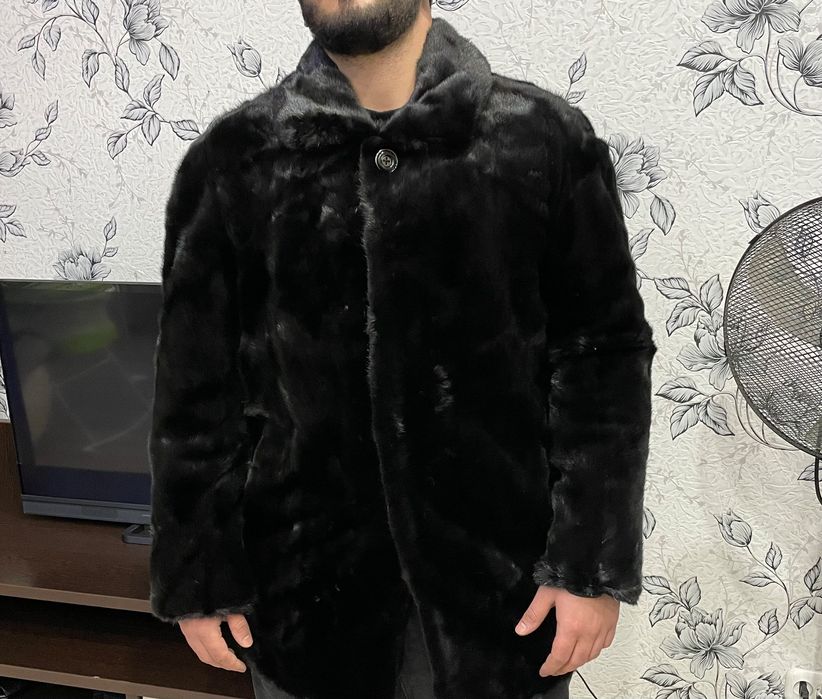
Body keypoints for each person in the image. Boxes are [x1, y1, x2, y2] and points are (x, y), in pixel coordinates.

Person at [147, 0, 658, 698]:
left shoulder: (543, 140)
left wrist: (589, 564)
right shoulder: (232, 160)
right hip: (307, 614)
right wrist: (199, 573)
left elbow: (604, 357)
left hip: (502, 609)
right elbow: (194, 389)